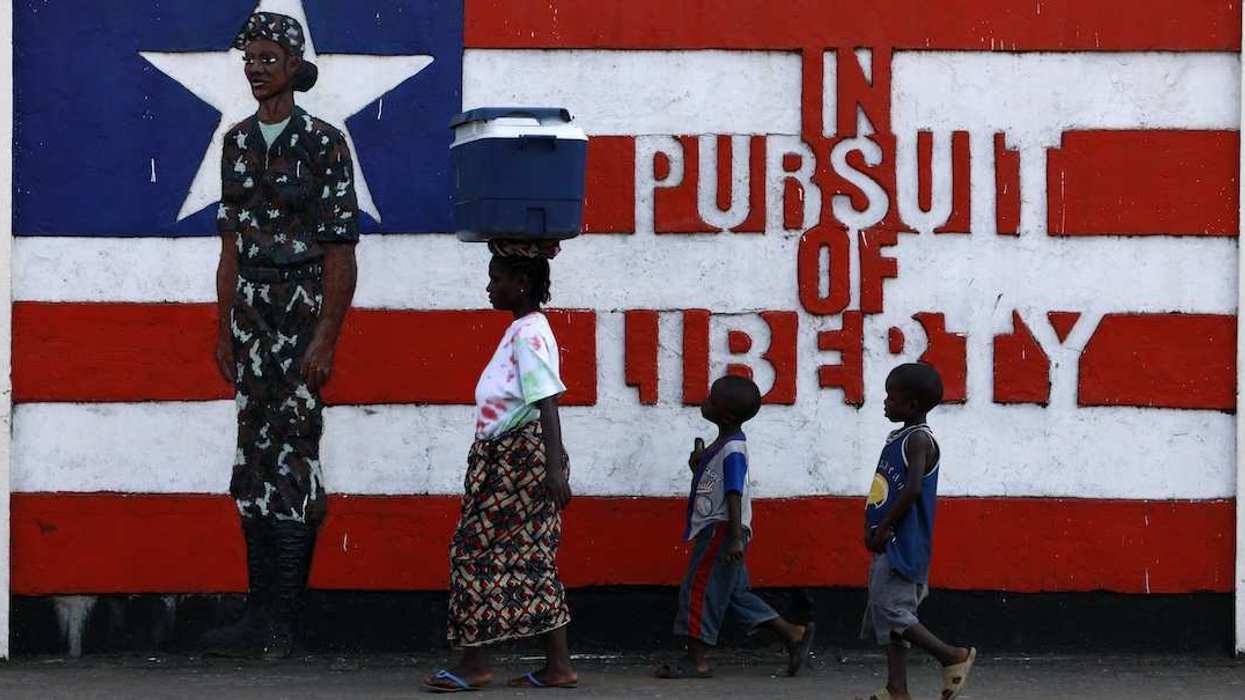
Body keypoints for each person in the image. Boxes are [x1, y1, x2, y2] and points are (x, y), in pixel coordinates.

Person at [202, 12, 359, 659]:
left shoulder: (323, 143)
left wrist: (325, 338)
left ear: (294, 66)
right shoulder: (236, 142)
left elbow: (340, 253)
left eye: (268, 56)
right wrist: (223, 327)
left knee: (293, 460)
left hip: (299, 321)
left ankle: (281, 626)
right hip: (251, 321)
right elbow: (230, 245)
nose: (256, 66)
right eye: (250, 58)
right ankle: (256, 614)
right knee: (252, 464)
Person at [424, 240, 578, 693]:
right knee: (532, 559)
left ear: (522, 283)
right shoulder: (522, 330)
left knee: (471, 552)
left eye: (498, 279)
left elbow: (546, 400)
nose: (490, 287)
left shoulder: (530, 332)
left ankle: (473, 665)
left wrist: (554, 469)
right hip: (511, 457)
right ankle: (558, 666)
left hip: (518, 458)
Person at [656, 375, 816, 680]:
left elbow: (733, 491)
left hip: (721, 531)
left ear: (726, 415)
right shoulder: (724, 445)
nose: (705, 400)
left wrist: (733, 537)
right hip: (725, 531)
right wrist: (697, 467)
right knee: (734, 594)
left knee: (699, 590)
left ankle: (697, 661)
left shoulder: (733, 450)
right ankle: (793, 633)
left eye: (711, 399)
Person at [856, 363, 976, 700]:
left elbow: (911, 491)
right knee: (891, 618)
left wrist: (886, 527)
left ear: (910, 405)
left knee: (891, 611)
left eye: (891, 398)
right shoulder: (900, 437)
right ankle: (897, 689)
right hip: (888, 541)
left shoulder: (919, 440)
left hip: (902, 544)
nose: (884, 402)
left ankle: (952, 656)